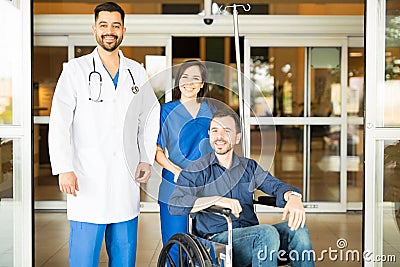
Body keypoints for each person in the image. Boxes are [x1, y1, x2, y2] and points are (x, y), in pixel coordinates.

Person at [48, 2, 160, 266]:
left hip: (125, 178)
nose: (110, 31)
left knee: (124, 256)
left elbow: (150, 116)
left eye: (116, 25)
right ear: (94, 29)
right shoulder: (74, 70)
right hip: (86, 180)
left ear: (123, 30)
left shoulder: (136, 72)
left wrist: (145, 158)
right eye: (104, 25)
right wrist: (64, 167)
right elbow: (59, 122)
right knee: (84, 258)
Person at [169, 109, 314, 266]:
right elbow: (175, 203)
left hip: (254, 236)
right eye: (215, 130)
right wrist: (217, 200)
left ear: (237, 137)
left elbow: (275, 185)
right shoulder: (196, 170)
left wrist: (293, 197)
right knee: (266, 233)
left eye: (227, 131)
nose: (219, 136)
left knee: (298, 230)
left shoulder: (249, 167)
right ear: (209, 134)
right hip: (217, 242)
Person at [155, 60, 215, 264]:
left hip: (207, 184)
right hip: (175, 185)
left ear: (202, 83)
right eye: (185, 77)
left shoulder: (211, 110)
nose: (189, 82)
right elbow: (156, 149)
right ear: (178, 81)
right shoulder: (165, 111)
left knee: (207, 246)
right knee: (176, 246)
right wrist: (176, 170)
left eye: (195, 78)